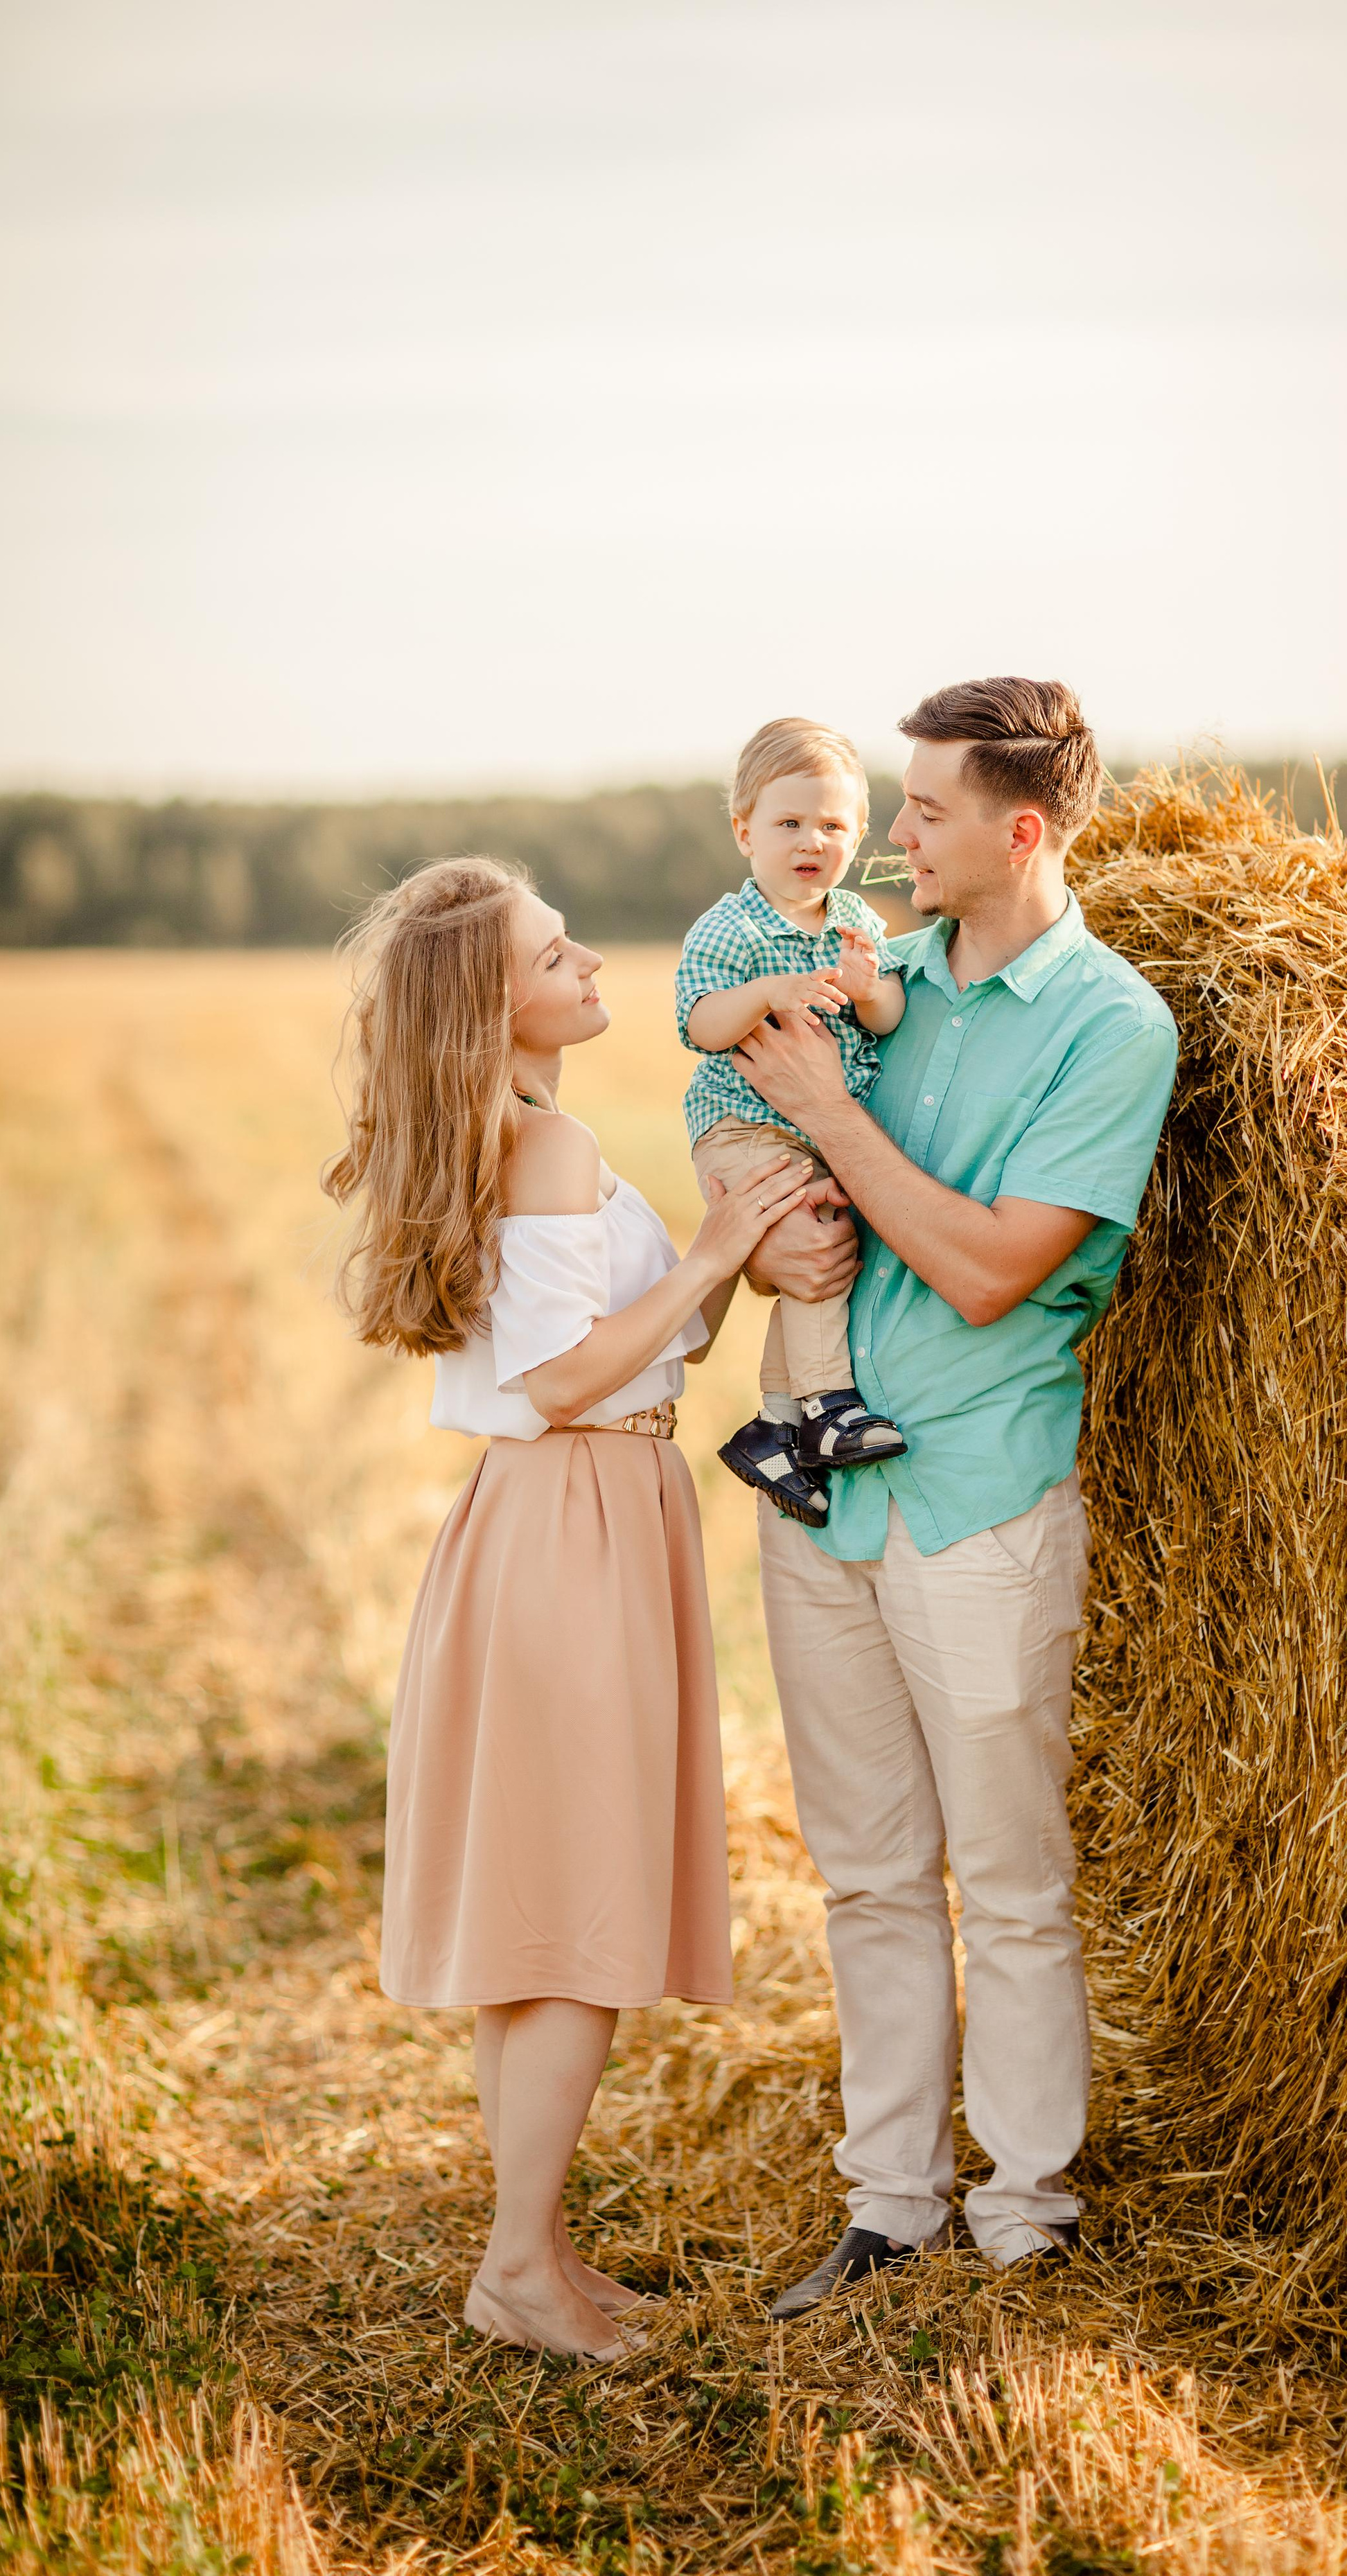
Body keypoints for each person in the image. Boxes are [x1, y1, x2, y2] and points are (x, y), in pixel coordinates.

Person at [322, 856, 821, 2361]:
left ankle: (531, 2252)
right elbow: (557, 1379)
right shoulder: (546, 1143)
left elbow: (634, 1344)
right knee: (571, 1922)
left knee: (541, 1916)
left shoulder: (521, 1131)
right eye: (555, 954)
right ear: (494, 1006)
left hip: (562, 1516)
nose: (591, 960)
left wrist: (727, 1254)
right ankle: (515, 2274)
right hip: (574, 1517)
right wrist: (719, 1251)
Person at [732, 679, 1178, 2312]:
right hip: (817, 1497)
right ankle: (889, 2202)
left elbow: (993, 1271)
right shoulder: (868, 978)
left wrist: (827, 1115)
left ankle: (1024, 2206)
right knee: (863, 1873)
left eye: (923, 810)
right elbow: (768, 1189)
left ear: (1020, 828)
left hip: (978, 1505)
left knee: (1007, 1882)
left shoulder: (1110, 1027)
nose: (892, 836)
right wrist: (770, 1237)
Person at [677, 716, 908, 1530]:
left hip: (809, 1134)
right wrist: (769, 994)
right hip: (742, 1129)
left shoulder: (856, 923)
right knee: (816, 1242)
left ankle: (776, 1428)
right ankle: (826, 1405)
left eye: (833, 825)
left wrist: (870, 988)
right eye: (788, 823)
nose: (812, 840)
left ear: (859, 835)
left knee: (819, 1249)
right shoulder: (733, 928)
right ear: (745, 832)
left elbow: (885, 1017)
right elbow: (700, 1023)